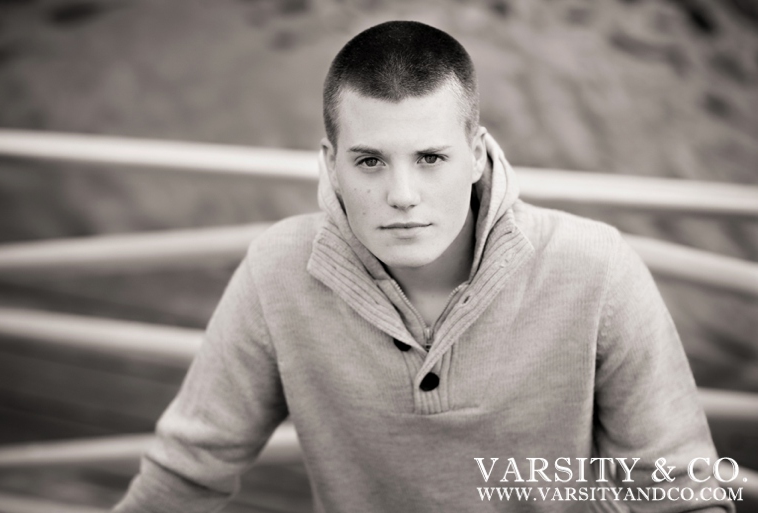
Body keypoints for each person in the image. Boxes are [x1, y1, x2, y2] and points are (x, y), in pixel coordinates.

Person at [113, 21, 734, 512]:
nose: (403, 194)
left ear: (475, 153)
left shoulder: (595, 269)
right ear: (330, 164)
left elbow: (683, 492)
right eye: (371, 161)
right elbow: (187, 472)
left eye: (431, 157)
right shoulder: (278, 271)